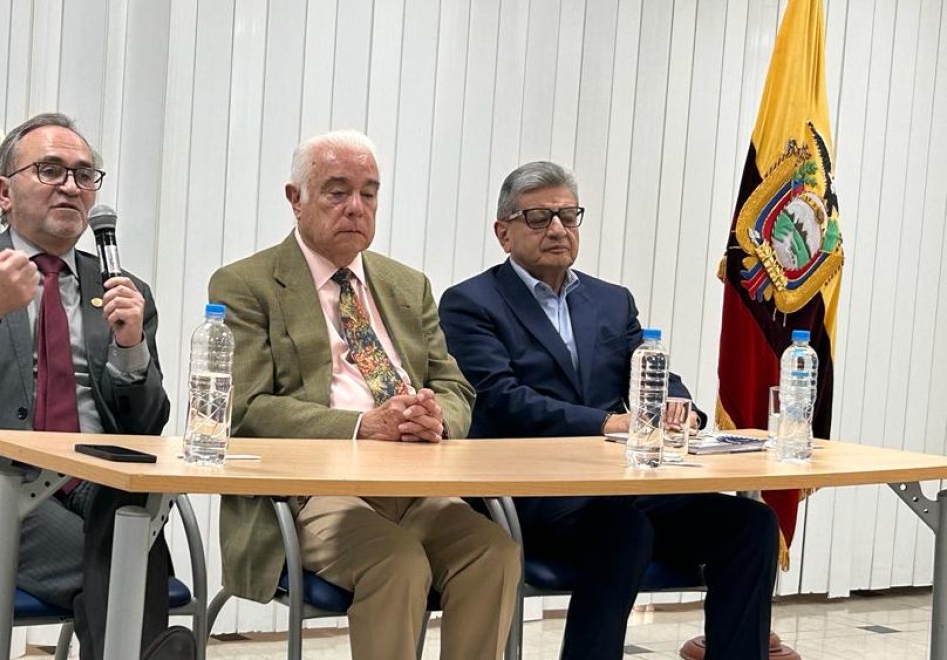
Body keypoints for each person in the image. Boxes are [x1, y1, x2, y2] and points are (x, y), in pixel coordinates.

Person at [0, 113, 193, 659]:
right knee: (127, 566)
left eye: (84, 175)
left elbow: (145, 428)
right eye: (51, 170)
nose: (71, 185)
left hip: (97, 483)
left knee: (129, 524)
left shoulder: (121, 288)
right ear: (4, 189)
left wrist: (132, 347)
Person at [439, 161, 780, 660]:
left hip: (618, 488)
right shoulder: (471, 303)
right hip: (532, 494)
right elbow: (502, 399)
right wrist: (604, 422)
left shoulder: (611, 300)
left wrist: (680, 408)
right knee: (623, 530)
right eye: (538, 218)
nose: (557, 229)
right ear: (503, 232)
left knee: (750, 524)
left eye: (567, 216)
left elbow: (649, 370)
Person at [208, 130, 520, 660]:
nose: (356, 207)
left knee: (495, 553)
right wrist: (362, 425)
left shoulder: (406, 284)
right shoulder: (247, 283)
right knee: (397, 562)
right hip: (312, 492)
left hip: (416, 483)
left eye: (369, 193)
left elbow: (455, 385)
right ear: (295, 198)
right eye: (337, 191)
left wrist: (435, 417)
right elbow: (247, 408)